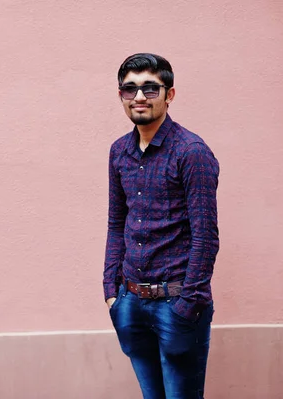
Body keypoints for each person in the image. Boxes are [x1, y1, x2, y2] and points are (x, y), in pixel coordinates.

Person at [103, 53, 220, 399]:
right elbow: (116, 223)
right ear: (121, 96)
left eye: (150, 88)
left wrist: (189, 303)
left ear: (169, 95)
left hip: (177, 304)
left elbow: (206, 236)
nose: (139, 97)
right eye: (130, 89)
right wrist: (111, 291)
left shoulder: (191, 152)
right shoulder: (118, 151)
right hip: (130, 301)